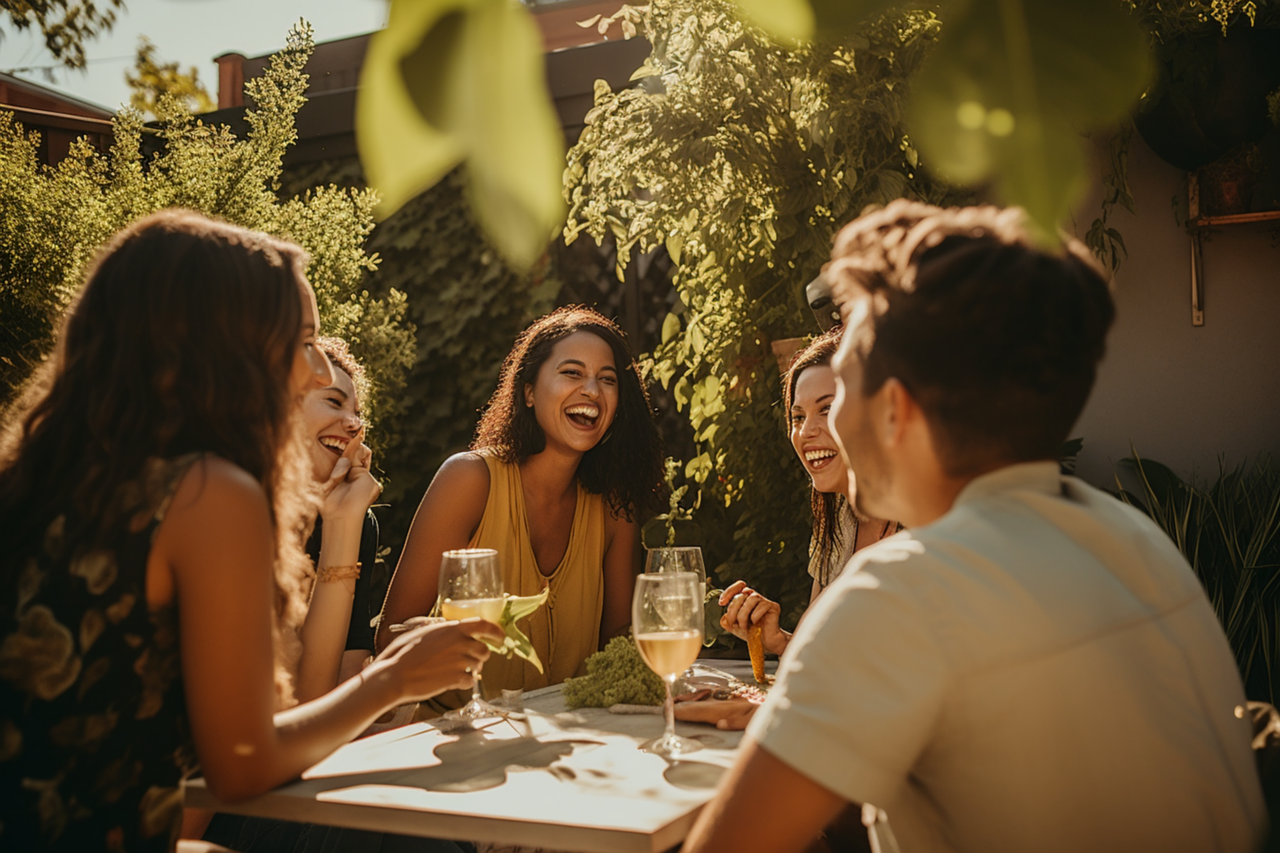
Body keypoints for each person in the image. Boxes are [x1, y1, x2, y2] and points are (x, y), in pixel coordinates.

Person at [683, 201, 1265, 853]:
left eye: (842, 388)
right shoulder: (1143, 547)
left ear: (895, 409)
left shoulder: (895, 592)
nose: (828, 424)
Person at [0, 210, 503, 852]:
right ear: (221, 349)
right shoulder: (210, 492)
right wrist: (394, 679)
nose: (320, 371)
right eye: (302, 342)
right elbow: (241, 763)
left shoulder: (46, 480)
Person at [379, 306, 664, 698]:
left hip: (569, 739)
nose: (592, 391)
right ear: (528, 391)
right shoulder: (469, 480)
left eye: (607, 379)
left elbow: (619, 644)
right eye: (572, 373)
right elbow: (392, 640)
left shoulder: (614, 509)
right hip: (457, 734)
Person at [714, 328, 901, 659]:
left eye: (826, 409)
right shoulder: (840, 519)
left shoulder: (922, 524)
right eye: (798, 416)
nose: (805, 432)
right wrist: (778, 639)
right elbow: (817, 657)